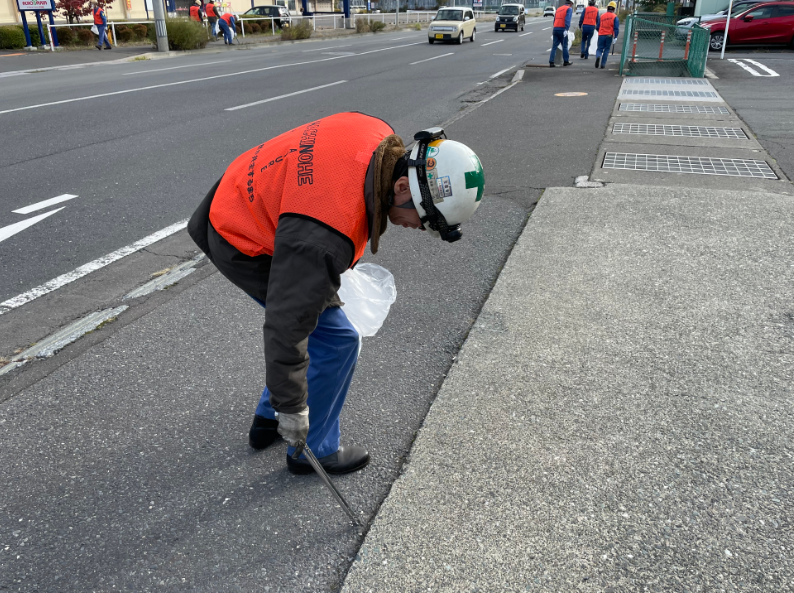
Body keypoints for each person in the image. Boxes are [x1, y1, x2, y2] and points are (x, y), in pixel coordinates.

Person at [187, 113, 485, 475]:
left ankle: (267, 420)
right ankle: (312, 450)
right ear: (402, 187)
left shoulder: (376, 135)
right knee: (336, 341)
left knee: (319, 325)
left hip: (243, 194)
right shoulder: (324, 237)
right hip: (241, 235)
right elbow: (287, 323)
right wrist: (292, 408)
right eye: (424, 220)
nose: (419, 229)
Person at [595, 1, 619, 69]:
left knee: (599, 48)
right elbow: (616, 28)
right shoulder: (615, 17)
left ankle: (598, 56)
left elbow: (597, 27)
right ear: (614, 9)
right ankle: (603, 64)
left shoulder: (602, 16)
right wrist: (615, 37)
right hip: (609, 35)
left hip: (601, 34)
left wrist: (600, 31)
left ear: (607, 8)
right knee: (606, 49)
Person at [549, 0, 574, 67]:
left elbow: (554, 20)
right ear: (571, 3)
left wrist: (555, 27)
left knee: (554, 46)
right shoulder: (569, 9)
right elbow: (567, 20)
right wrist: (566, 29)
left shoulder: (558, 9)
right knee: (564, 46)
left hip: (555, 29)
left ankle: (551, 62)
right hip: (562, 29)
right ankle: (566, 61)